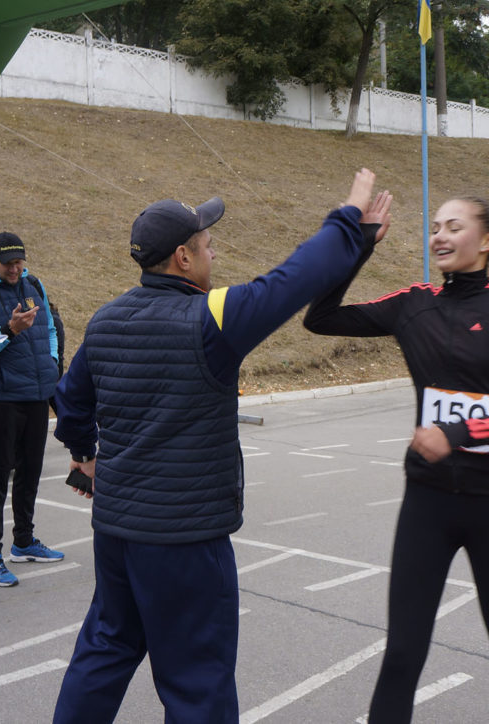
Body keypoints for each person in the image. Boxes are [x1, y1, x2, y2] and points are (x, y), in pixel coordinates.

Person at [49, 170, 384, 723]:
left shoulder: (106, 319)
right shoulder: (211, 318)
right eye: (206, 243)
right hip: (184, 540)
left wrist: (84, 455)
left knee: (105, 649)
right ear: (182, 257)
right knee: (197, 681)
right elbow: (296, 278)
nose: (213, 250)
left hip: (116, 532)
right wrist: (351, 217)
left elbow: (71, 400)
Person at [304, 194, 489, 724]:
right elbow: (320, 318)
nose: (439, 236)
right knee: (402, 651)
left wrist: (459, 431)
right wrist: (359, 248)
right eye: (435, 226)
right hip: (427, 503)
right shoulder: (414, 303)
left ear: (487, 242)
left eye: (453, 226)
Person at [0, 232, 64, 588]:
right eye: (8, 264)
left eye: (19, 261)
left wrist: (51, 361)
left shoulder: (33, 283)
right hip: (1, 398)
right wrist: (10, 329)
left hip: (36, 394)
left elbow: (50, 327)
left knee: (30, 471)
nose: (16, 269)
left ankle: (24, 541)